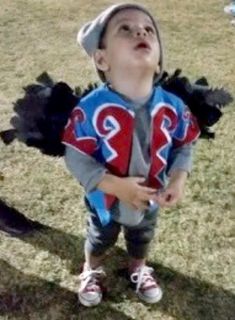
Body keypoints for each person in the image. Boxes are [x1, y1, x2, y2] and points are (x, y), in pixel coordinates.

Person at [62, 3, 200, 307]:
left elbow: (184, 144)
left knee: (142, 235)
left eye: (149, 30)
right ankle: (91, 268)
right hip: (105, 198)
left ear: (159, 60)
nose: (140, 31)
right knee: (100, 236)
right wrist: (116, 186)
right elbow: (75, 155)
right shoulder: (90, 107)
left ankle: (138, 267)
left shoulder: (173, 105)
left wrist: (178, 179)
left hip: (151, 195)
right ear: (102, 58)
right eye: (125, 28)